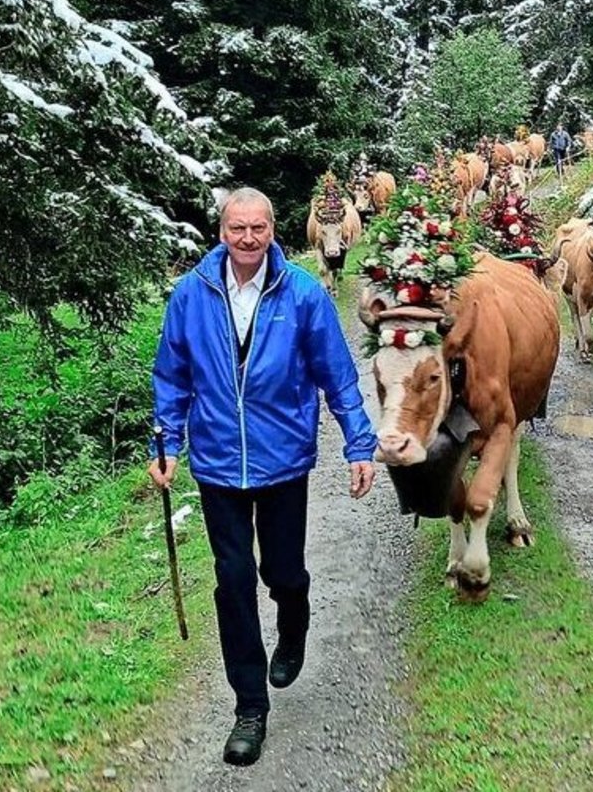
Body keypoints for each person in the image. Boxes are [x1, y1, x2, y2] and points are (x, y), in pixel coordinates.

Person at [150, 187, 378, 767]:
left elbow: (338, 376)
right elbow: (172, 375)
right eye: (236, 229)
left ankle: (294, 620)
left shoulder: (301, 294)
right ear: (221, 231)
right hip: (218, 464)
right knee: (233, 582)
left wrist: (359, 444)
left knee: (283, 572)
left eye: (258, 228)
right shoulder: (192, 295)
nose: (247, 239)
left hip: (282, 462)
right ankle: (249, 706)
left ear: (274, 230)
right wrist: (167, 442)